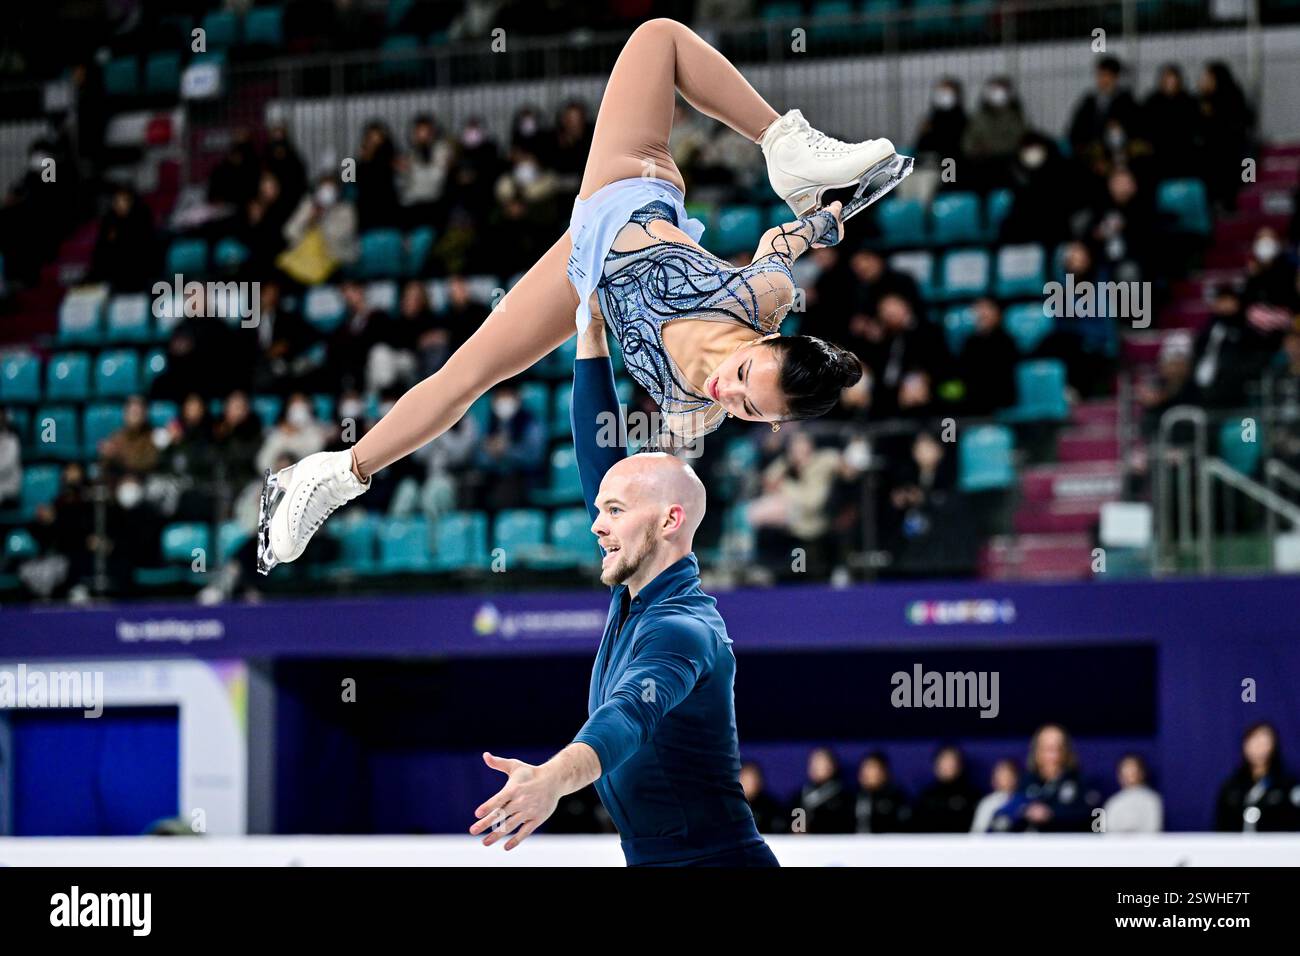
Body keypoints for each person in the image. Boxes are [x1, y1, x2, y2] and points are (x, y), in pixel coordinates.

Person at [257, 18, 908, 574]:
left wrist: (591, 343)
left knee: (465, 376)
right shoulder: (760, 298)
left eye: (749, 409)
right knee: (658, 39)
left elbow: (608, 466)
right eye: (744, 375)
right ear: (765, 339)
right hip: (632, 185)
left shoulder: (692, 412)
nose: (729, 394)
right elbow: (781, 245)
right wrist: (822, 220)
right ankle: (784, 142)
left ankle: (330, 475)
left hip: (585, 272)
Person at [467, 314, 778, 866]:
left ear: (669, 522)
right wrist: (589, 331)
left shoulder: (681, 630)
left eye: (613, 511)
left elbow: (626, 717)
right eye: (600, 510)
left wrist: (552, 781)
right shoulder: (635, 595)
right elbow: (597, 453)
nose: (595, 524)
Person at [1214, 721, 1300, 832]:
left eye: (1264, 743)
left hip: (1276, 846)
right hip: (1237, 847)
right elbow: (1222, 825)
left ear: (1273, 745)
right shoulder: (1231, 787)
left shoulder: (1287, 785)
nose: (1259, 749)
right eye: (1254, 742)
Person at [1103, 753, 1163, 833]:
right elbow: (1106, 830)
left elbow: (1153, 829)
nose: (1129, 774)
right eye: (1125, 769)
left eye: (1132, 769)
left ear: (1141, 772)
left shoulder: (1151, 800)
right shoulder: (1113, 801)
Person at [970, 758, 1020, 833]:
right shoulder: (987, 803)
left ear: (1015, 777)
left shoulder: (1023, 800)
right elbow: (977, 832)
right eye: (999, 774)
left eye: (1006, 774)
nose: (1002, 778)